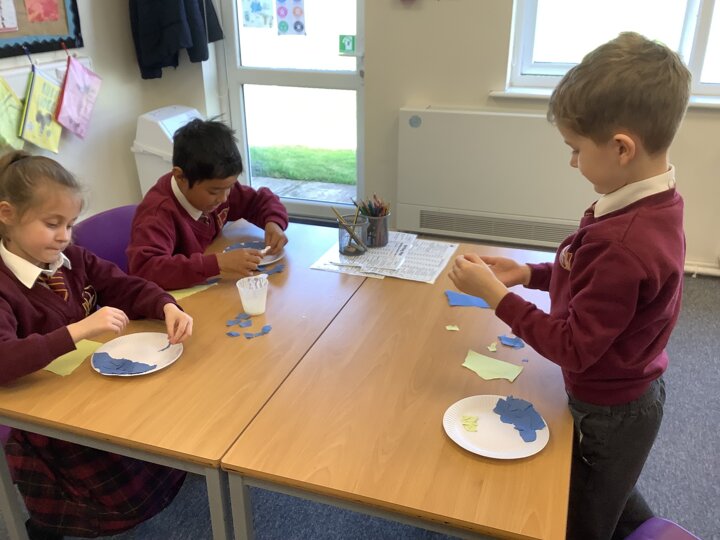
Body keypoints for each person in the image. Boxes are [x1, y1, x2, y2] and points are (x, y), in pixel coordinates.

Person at [448, 32, 690, 540]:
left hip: (611, 410)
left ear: (621, 148)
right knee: (607, 486)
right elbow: (589, 276)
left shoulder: (624, 241)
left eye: (576, 149)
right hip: (626, 395)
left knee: (583, 516)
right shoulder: (650, 202)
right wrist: (529, 274)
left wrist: (497, 296)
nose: (573, 162)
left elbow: (574, 348)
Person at [0, 151, 194, 539]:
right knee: (128, 496)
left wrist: (165, 305)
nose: (64, 236)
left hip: (91, 392)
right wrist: (77, 330)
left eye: (70, 224)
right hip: (46, 422)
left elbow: (124, 286)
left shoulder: (71, 257)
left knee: (171, 437)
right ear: (7, 214)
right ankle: (45, 522)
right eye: (52, 224)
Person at [126, 118, 289, 290]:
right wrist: (217, 264)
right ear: (181, 177)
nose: (224, 198)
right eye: (214, 192)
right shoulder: (158, 214)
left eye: (229, 187)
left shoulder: (217, 187)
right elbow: (145, 269)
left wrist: (273, 222)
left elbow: (258, 200)